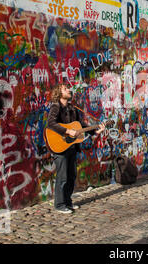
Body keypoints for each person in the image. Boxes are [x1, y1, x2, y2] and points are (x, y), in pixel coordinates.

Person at [47, 83, 105, 214]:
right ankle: (59, 205)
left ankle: (68, 202)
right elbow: (51, 123)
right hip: (59, 146)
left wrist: (96, 131)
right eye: (65, 89)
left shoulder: (73, 108)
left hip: (72, 147)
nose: (69, 90)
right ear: (59, 93)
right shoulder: (56, 107)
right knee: (62, 177)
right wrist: (67, 130)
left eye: (68, 88)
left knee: (72, 176)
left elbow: (81, 126)